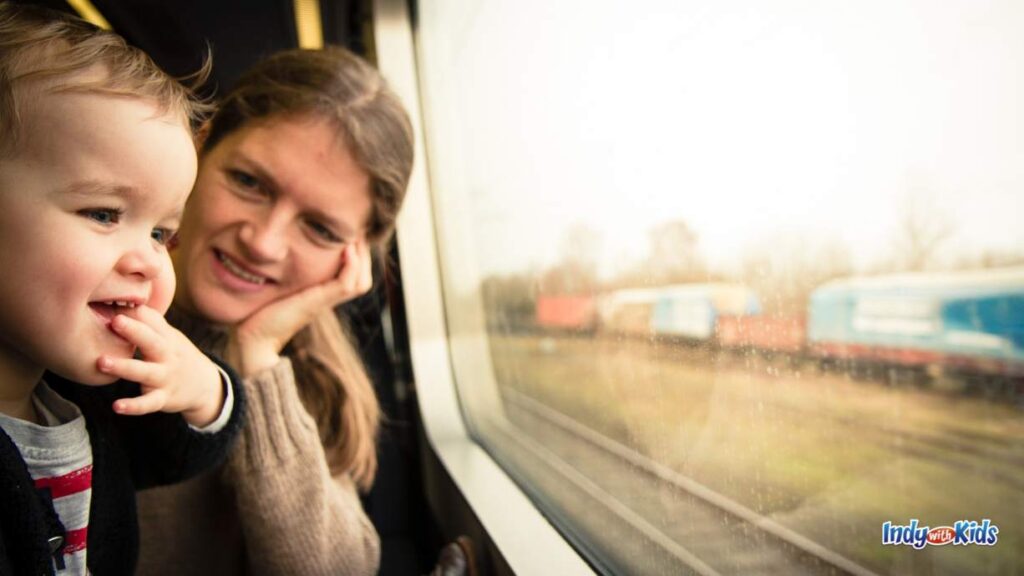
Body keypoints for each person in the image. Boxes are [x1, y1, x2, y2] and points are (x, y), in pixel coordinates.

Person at [136, 46, 414, 575]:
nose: (263, 243)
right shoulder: (78, 302)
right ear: (199, 146)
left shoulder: (310, 379)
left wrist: (258, 357)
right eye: (249, 183)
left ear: (352, 258)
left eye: (320, 228)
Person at [0, 4, 245, 575]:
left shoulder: (86, 393)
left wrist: (203, 392)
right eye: (105, 213)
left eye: (162, 232)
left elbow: (170, 456)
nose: (148, 262)